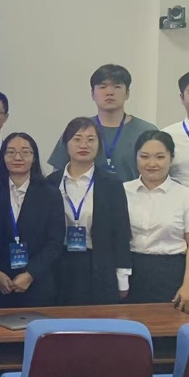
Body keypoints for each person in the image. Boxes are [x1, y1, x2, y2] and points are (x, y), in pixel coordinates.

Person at [47, 117, 132, 306]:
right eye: (77, 139)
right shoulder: (51, 182)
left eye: (91, 139)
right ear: (66, 144)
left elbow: (121, 232)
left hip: (97, 264)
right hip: (58, 263)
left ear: (99, 145)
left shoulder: (111, 184)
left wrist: (123, 276)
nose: (84, 145)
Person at [125, 131, 189, 306]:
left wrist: (188, 285)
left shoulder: (187, 197)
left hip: (170, 273)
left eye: (160, 157)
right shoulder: (122, 192)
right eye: (144, 156)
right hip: (129, 271)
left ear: (171, 159)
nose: (152, 163)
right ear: (136, 158)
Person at [0, 133, 64, 308]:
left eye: (25, 152)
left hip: (38, 285)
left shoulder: (50, 194)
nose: (18, 158)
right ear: (2, 157)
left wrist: (30, 274)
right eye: (11, 152)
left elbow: (55, 243)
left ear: (34, 157)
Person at [48, 64, 156, 181]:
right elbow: (58, 173)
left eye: (117, 86)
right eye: (102, 87)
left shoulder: (147, 131)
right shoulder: (78, 129)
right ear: (92, 94)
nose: (109, 92)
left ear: (127, 93)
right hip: (84, 193)